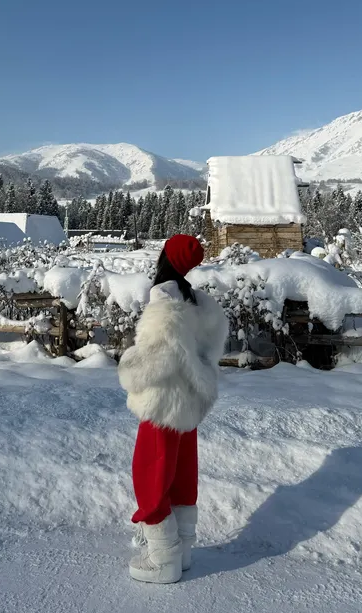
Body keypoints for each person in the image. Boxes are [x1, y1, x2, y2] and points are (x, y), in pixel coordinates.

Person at [118, 234, 229, 584]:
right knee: (181, 473)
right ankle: (181, 552)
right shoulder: (195, 299)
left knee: (149, 473)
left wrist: (129, 369)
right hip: (189, 402)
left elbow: (159, 354)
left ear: (166, 255)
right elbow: (198, 352)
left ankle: (162, 558)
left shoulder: (163, 295)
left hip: (163, 400)